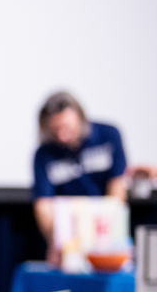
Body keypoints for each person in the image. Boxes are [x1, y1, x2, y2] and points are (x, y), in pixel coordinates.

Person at [32, 91, 127, 263]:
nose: (62, 136)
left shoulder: (109, 135)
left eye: (67, 128)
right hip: (69, 237)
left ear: (80, 118)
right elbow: (43, 205)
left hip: (105, 231)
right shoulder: (43, 154)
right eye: (54, 131)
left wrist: (108, 233)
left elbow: (118, 187)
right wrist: (56, 240)